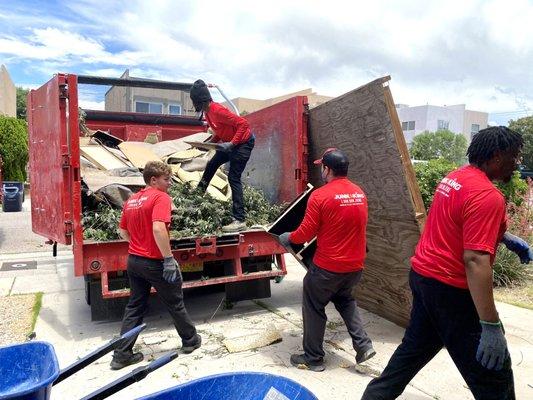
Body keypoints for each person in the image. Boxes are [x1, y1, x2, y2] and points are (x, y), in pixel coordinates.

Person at [362, 126, 531, 399]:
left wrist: (503, 236)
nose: (518, 162)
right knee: (493, 372)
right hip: (451, 291)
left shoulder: (454, 178)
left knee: (412, 352)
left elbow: (457, 221)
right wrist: (490, 324)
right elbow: (475, 260)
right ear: (498, 156)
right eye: (516, 156)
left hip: (423, 279)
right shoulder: (489, 196)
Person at [279, 148, 376, 372]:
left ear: (327, 169)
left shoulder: (321, 195)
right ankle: (363, 345)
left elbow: (305, 233)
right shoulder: (359, 193)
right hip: (354, 266)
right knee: (345, 300)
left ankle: (312, 358)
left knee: (314, 304)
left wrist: (288, 238)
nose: (321, 170)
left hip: (328, 267)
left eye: (322, 166)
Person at [110, 161, 201, 370]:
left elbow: (122, 231)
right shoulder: (161, 197)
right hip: (154, 262)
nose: (170, 183)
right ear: (153, 180)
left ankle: (121, 355)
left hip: (134, 261)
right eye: (166, 179)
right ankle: (190, 341)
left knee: (135, 306)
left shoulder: (132, 200)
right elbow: (159, 228)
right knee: (174, 302)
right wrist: (168, 259)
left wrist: (138, 244)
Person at [189, 79, 255, 232]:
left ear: (199, 100)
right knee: (211, 164)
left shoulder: (217, 110)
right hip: (230, 144)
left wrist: (231, 144)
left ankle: (239, 220)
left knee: (233, 177)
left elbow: (243, 124)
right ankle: (197, 197)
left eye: (194, 101)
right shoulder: (208, 113)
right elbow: (220, 131)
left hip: (243, 144)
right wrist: (208, 145)